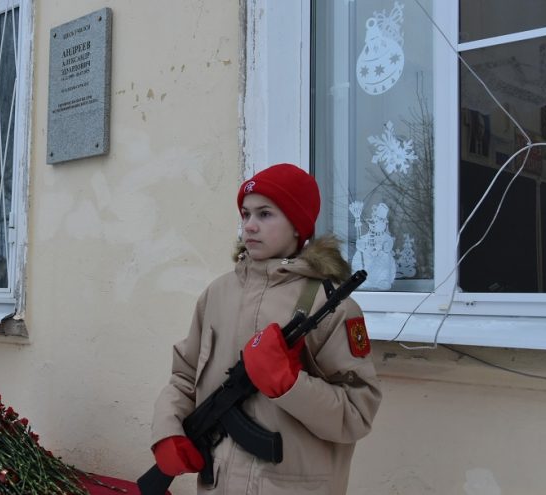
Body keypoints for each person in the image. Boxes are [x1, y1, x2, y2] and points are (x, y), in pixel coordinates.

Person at [150, 164, 382, 494]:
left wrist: (290, 385)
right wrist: (167, 429)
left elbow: (357, 414)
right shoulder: (217, 294)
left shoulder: (331, 306)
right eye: (245, 214)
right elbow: (185, 376)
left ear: (297, 225)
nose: (249, 225)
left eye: (265, 214)